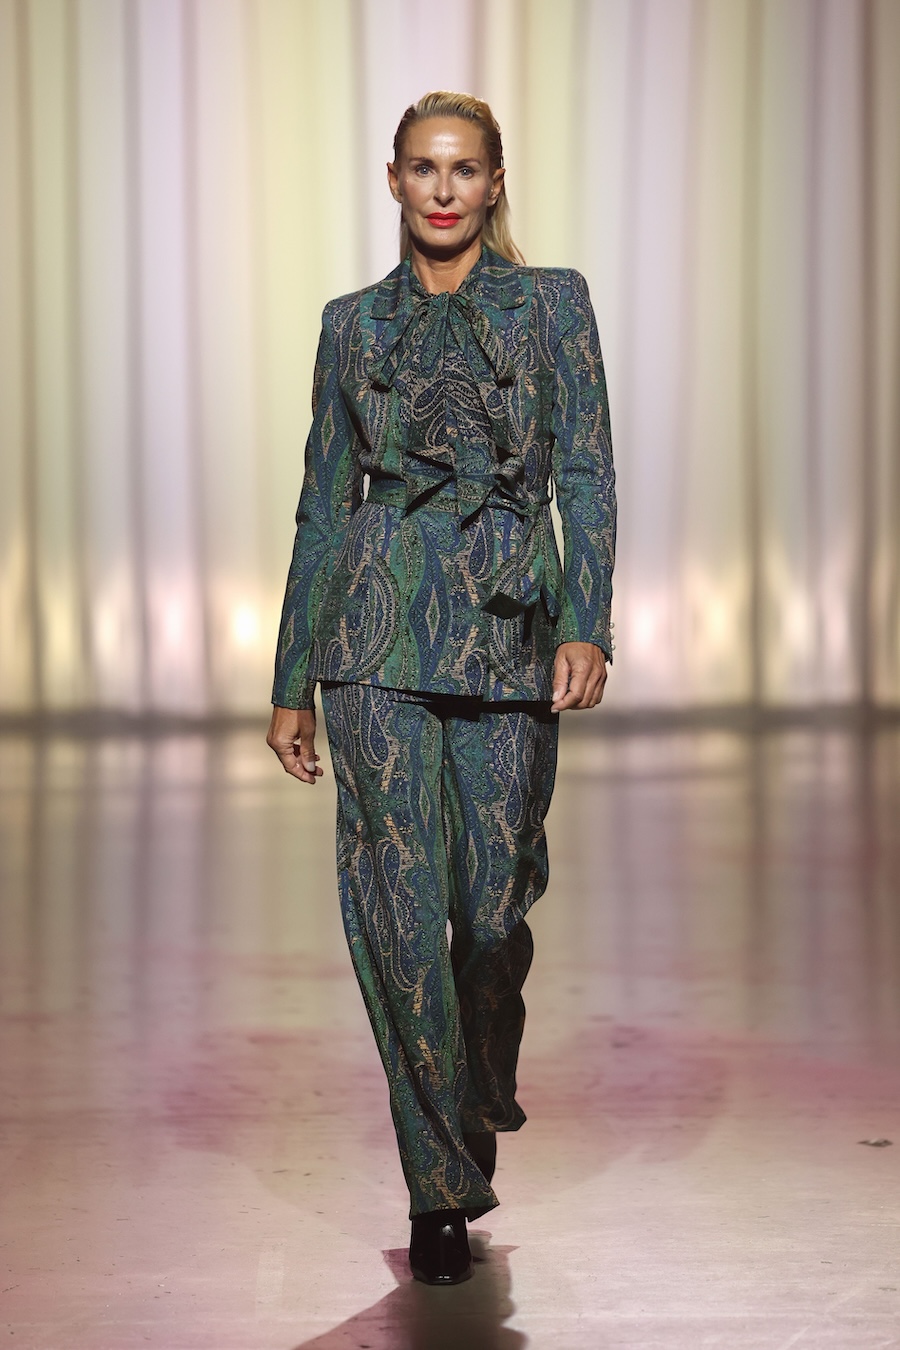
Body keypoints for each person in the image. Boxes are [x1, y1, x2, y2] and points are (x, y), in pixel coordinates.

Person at [267, 91, 615, 1285]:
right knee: (402, 917)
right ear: (394, 180)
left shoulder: (553, 304)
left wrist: (587, 620)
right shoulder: (351, 325)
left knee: (492, 914)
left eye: (465, 169)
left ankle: (474, 1087)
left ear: (495, 180)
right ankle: (438, 1187)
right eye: (424, 168)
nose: (445, 189)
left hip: (510, 630)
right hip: (373, 635)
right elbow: (323, 502)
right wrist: (292, 676)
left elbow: (587, 468)